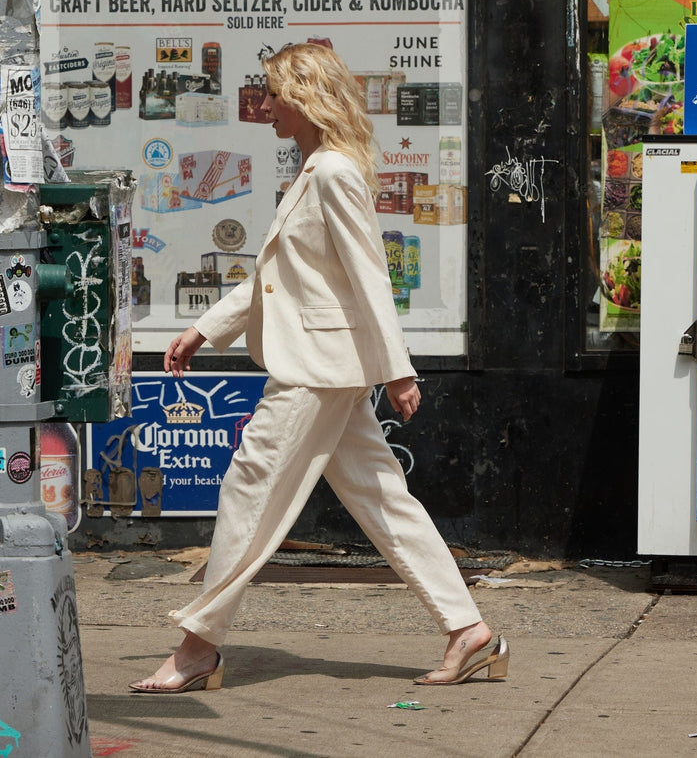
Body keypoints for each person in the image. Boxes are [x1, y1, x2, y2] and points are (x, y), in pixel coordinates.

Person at [129, 43, 506, 694]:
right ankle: (468, 632)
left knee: (250, 488)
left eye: (274, 94)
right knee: (382, 498)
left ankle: (196, 649)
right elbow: (279, 279)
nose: (265, 106)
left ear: (305, 98)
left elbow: (369, 273)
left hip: (316, 367)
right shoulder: (313, 169)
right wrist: (203, 327)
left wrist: (399, 369)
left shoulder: (331, 172)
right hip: (327, 363)